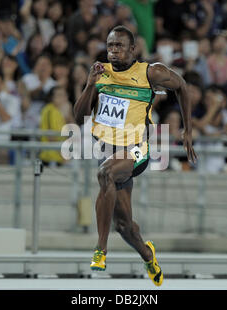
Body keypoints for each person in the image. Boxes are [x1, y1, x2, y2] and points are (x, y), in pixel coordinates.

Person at [73, 25, 197, 286]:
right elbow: (78, 117)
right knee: (124, 224)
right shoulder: (100, 73)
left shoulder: (151, 72)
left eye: (119, 46)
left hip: (136, 149)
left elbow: (183, 86)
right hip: (108, 149)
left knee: (105, 173)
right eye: (109, 46)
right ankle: (148, 255)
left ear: (133, 49)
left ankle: (100, 250)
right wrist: (88, 86)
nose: (113, 51)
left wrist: (187, 129)